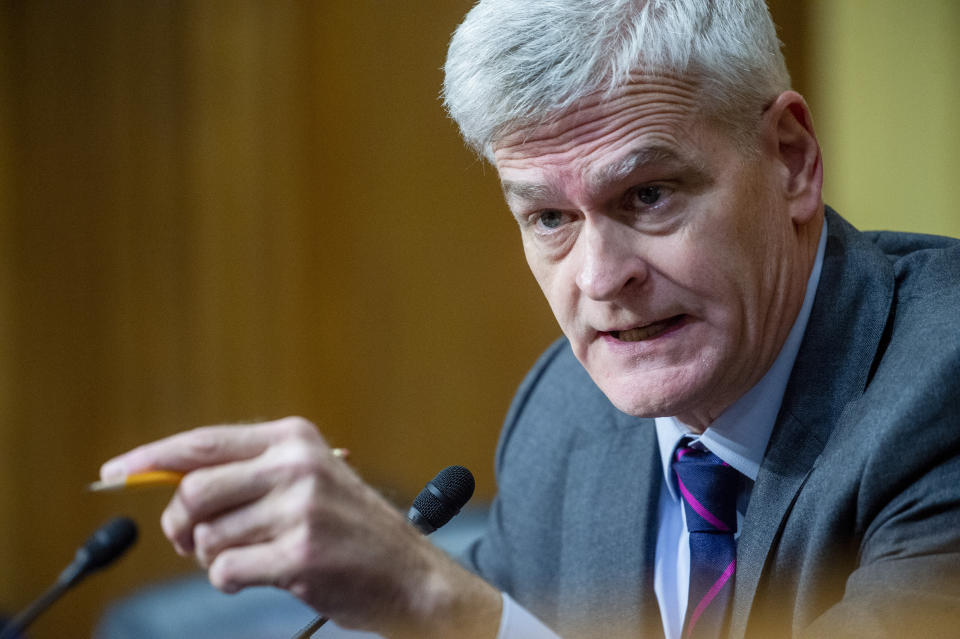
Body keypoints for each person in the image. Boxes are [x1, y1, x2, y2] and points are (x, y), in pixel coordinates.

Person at [100, 1, 960, 637]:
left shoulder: (942, 386)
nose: (599, 278)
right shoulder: (565, 419)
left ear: (793, 160)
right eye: (548, 218)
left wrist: (435, 600)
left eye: (649, 194)